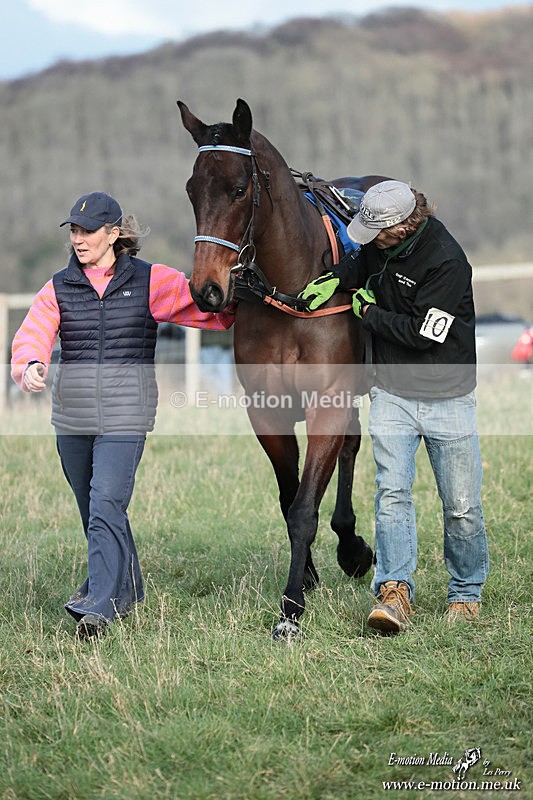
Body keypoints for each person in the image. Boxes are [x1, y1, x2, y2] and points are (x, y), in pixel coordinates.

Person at [11, 191, 234, 640]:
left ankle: (101, 603)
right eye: (73, 230)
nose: (78, 238)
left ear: (113, 234)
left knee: (107, 502)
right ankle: (127, 586)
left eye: (87, 230)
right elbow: (32, 335)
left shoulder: (150, 280)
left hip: (126, 414)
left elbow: (207, 306)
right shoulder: (58, 287)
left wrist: (240, 299)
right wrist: (30, 366)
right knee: (94, 508)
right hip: (71, 418)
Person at [300, 180, 489, 634]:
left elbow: (428, 333)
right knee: (391, 496)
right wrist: (335, 280)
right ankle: (394, 590)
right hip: (392, 393)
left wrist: (368, 315)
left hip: (448, 396)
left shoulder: (447, 260)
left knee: (461, 506)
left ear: (404, 225)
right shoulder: (380, 245)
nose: (370, 238)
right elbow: (360, 261)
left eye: (377, 231)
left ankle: (465, 593)